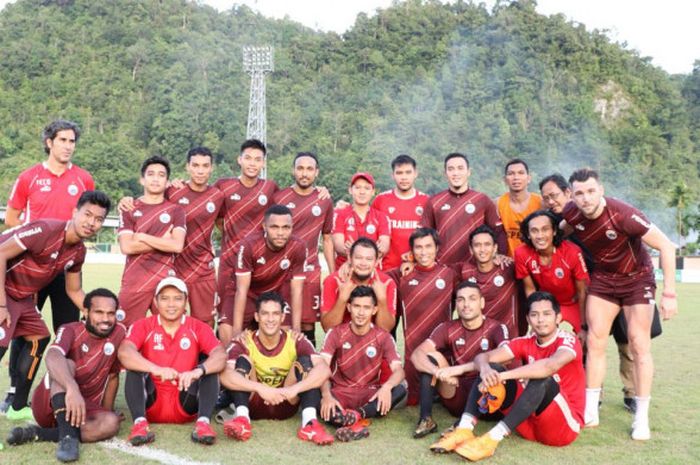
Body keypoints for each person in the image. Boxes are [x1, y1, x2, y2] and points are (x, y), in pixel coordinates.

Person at [561, 168, 677, 440]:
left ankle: (641, 418)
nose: (586, 198)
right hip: (603, 280)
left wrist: (669, 293)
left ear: (601, 190)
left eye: (591, 191)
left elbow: (667, 246)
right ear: (573, 196)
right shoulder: (572, 213)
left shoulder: (624, 214)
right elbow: (564, 230)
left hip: (637, 280)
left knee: (639, 344)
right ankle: (590, 411)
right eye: (579, 193)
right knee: (596, 341)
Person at [2, 120, 94, 413]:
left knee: (67, 329)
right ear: (49, 142)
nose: (68, 146)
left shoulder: (83, 179)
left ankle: (65, 388)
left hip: (64, 268)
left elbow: (88, 215)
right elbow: (12, 219)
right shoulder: (29, 177)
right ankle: (14, 393)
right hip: (33, 265)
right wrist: (37, 235)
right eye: (63, 140)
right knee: (20, 329)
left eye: (72, 141)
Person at [433, 292, 585, 461]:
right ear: (527, 319)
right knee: (492, 368)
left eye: (547, 314)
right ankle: (463, 430)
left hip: (562, 429)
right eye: (534, 315)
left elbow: (549, 366)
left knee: (542, 378)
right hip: (527, 423)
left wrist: (504, 375)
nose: (540, 320)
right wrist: (484, 369)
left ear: (558, 318)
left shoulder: (568, 340)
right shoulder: (526, 341)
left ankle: (491, 440)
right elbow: (485, 357)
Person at [0, 190, 111, 420]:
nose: (91, 223)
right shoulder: (46, 230)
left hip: (22, 297)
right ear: (74, 212)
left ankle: (17, 407)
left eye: (98, 219)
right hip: (4, 289)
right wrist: (1, 305)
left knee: (39, 337)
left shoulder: (78, 252)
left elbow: (73, 290)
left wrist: (96, 314)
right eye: (87, 215)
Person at [540, 173, 639, 412]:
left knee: (627, 340)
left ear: (568, 193)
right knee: (593, 342)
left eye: (554, 195)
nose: (551, 201)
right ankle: (595, 393)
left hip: (620, 283)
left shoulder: (598, 212)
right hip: (589, 291)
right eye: (546, 198)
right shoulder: (558, 224)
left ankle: (632, 393)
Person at [6, 289, 125, 462]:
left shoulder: (119, 333)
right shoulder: (70, 329)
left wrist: (107, 410)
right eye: (99, 312)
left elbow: (113, 376)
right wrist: (72, 388)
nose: (105, 319)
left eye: (111, 313)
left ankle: (38, 433)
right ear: (85, 312)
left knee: (111, 422)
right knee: (67, 364)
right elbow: (53, 355)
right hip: (50, 402)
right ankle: (68, 438)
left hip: (82, 407)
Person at [118, 277, 226, 446]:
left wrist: (198, 371)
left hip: (186, 400)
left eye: (177, 298)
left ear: (186, 302)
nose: (171, 304)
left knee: (208, 366)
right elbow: (124, 352)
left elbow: (220, 355)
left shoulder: (198, 327)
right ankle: (139, 424)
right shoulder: (143, 325)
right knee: (134, 367)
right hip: (151, 402)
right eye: (165, 298)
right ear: (155, 301)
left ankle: (203, 424)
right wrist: (156, 369)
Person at [220, 291, 334, 445]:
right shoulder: (244, 341)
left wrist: (293, 390)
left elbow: (324, 370)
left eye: (275, 314)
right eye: (265, 314)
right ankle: (242, 419)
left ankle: (309, 423)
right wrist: (260, 388)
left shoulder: (296, 340)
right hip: (254, 403)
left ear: (282, 317)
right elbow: (224, 375)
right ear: (257, 317)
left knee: (306, 362)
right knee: (242, 360)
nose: (270, 319)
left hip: (287, 402)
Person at [410, 281, 508, 439]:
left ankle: (461, 425)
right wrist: (438, 372)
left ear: (482, 302)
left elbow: (508, 354)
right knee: (430, 357)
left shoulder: (496, 327)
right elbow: (417, 355)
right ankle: (426, 419)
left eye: (472, 299)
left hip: (484, 394)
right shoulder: (447, 327)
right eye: (461, 299)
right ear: (456, 304)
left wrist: (463, 368)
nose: (466, 304)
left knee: (496, 365)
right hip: (457, 392)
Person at [319, 286, 406, 441]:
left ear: (374, 310)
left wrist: (386, 388)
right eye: (357, 306)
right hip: (341, 393)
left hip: (369, 393)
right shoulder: (336, 333)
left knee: (400, 389)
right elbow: (321, 367)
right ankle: (356, 421)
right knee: (324, 404)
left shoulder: (383, 336)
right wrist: (326, 395)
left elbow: (399, 371)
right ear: (349, 307)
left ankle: (355, 416)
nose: (361, 312)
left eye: (366, 307)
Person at [218, 205, 307, 343]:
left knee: (287, 340)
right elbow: (242, 290)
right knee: (228, 337)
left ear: (292, 227)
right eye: (274, 227)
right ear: (264, 226)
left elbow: (297, 290)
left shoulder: (298, 246)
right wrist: (236, 332)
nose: (280, 233)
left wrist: (296, 328)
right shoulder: (249, 245)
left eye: (286, 227)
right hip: (247, 294)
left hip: (274, 295)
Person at [389, 228, 458, 405]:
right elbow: (372, 276)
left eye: (428, 246)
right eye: (418, 247)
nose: (424, 252)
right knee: (413, 400)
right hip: (412, 358)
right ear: (411, 251)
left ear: (437, 248)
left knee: (445, 399)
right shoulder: (402, 274)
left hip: (442, 356)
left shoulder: (450, 274)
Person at [272, 152, 334, 346]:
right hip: (281, 271)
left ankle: (306, 367)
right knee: (279, 320)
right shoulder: (280, 197)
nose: (304, 173)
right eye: (300, 168)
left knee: (307, 324)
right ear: (293, 170)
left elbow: (328, 238)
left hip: (310, 271)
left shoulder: (324, 200)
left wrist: (333, 275)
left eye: (309, 169)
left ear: (316, 172)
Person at [117, 156, 186, 327]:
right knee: (124, 332)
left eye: (161, 175)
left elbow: (177, 245)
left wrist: (142, 236)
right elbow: (127, 246)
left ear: (167, 181)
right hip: (134, 281)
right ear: (142, 179)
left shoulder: (176, 210)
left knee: (171, 332)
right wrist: (163, 241)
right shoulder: (129, 208)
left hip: (164, 281)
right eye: (151, 174)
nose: (156, 179)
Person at [213, 139, 279, 315]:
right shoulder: (223, 186)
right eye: (248, 158)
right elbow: (214, 216)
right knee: (226, 316)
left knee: (259, 315)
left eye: (258, 159)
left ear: (263, 163)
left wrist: (319, 190)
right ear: (239, 159)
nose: (252, 163)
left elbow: (292, 201)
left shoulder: (270, 188)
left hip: (259, 264)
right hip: (229, 261)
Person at [421, 153, 505, 265]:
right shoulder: (434, 202)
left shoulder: (482, 200)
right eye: (451, 169)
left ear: (469, 172)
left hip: (476, 267)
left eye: (460, 168)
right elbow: (423, 235)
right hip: (443, 267)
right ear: (445, 173)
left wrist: (500, 254)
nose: (456, 173)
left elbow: (499, 231)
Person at [514, 209, 589, 334]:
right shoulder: (521, 253)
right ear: (528, 234)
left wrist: (584, 325)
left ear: (554, 231)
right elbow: (530, 289)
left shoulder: (572, 252)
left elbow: (582, 291)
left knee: (583, 342)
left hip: (574, 303)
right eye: (534, 231)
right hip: (548, 304)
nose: (540, 236)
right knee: (539, 340)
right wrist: (536, 320)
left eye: (545, 229)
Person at [320, 237, 396, 333]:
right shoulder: (333, 281)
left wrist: (382, 300)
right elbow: (328, 328)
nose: (363, 263)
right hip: (340, 341)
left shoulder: (386, 283)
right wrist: (342, 298)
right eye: (358, 258)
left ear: (376, 261)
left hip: (374, 342)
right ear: (350, 258)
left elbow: (385, 329)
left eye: (369, 259)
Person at [372, 155, 429, 270]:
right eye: (399, 173)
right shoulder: (381, 200)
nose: (404, 177)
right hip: (386, 268)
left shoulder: (426, 201)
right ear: (392, 175)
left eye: (408, 172)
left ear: (415, 173)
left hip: (417, 268)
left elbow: (432, 238)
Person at [460, 225, 519, 337]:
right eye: (477, 245)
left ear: (495, 247)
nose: (482, 250)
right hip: (474, 339)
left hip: (506, 338)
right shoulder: (463, 270)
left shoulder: (508, 267)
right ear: (471, 249)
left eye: (487, 245)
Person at [332, 172, 391, 269]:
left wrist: (353, 249)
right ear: (350, 190)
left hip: (371, 273)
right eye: (358, 187)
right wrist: (370, 251)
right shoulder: (340, 214)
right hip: (344, 272)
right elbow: (339, 246)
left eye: (367, 188)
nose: (362, 192)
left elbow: (384, 247)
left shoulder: (381, 217)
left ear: (373, 192)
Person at [496, 159, 543, 257]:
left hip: (536, 260)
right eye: (511, 174)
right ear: (505, 180)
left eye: (521, 173)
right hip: (507, 262)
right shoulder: (497, 204)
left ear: (529, 178)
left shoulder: (541, 203)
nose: (516, 177)